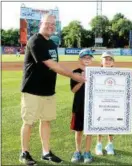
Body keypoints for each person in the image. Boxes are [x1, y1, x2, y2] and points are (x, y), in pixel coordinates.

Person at [19, 14, 85, 166]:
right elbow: (53, 66)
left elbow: (54, 69)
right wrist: (74, 75)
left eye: (53, 24)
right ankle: (24, 152)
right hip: (32, 90)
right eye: (47, 23)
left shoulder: (52, 45)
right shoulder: (35, 41)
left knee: (46, 121)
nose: (50, 26)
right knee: (28, 122)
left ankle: (46, 152)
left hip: (48, 91)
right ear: (40, 24)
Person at [70, 49, 94, 163]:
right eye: (84, 57)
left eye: (89, 58)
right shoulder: (75, 72)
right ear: (79, 59)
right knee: (78, 130)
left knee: (89, 130)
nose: (87, 60)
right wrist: (82, 80)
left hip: (92, 106)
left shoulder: (96, 72)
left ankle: (87, 152)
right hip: (79, 105)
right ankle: (77, 151)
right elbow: (74, 90)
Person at [95, 51, 115, 156]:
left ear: (113, 63)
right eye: (105, 59)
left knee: (111, 123)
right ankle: (98, 144)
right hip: (100, 102)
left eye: (110, 59)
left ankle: (110, 144)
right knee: (100, 122)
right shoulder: (95, 73)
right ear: (101, 61)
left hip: (112, 103)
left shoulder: (118, 74)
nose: (107, 61)